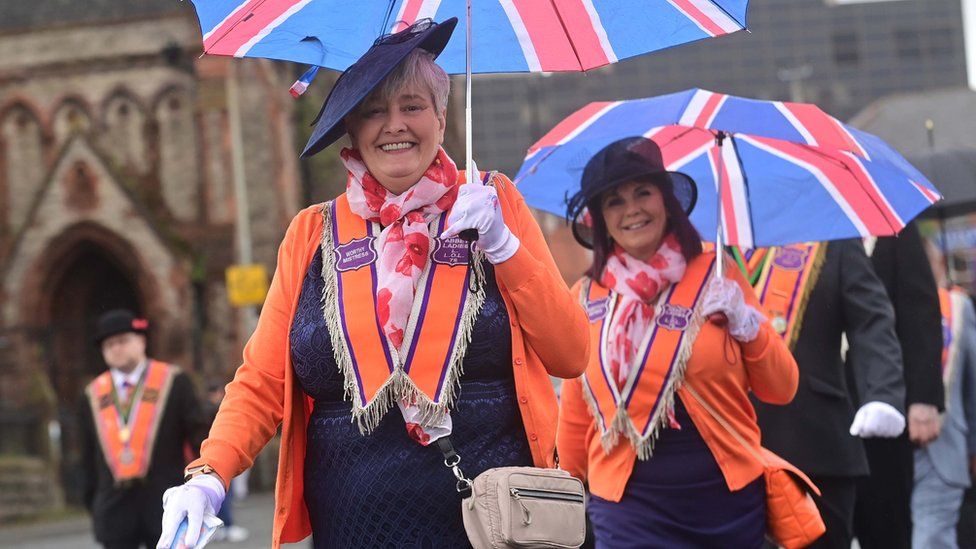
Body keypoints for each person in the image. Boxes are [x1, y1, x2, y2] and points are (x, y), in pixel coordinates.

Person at [156, 18, 589, 549]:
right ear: (353, 128)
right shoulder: (312, 233)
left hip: (492, 523)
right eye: (374, 111)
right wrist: (209, 475)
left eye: (412, 106)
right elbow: (262, 380)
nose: (394, 125)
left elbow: (570, 355)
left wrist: (504, 247)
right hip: (353, 526)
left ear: (441, 116)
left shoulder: (493, 204)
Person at [556, 136, 800, 548]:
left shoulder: (718, 279)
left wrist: (748, 325)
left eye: (643, 193)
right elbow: (578, 412)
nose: (632, 209)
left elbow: (783, 388)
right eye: (614, 201)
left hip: (725, 500)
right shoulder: (584, 296)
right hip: (626, 507)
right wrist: (565, 488)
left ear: (666, 200)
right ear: (600, 218)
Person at [739, 241, 906, 549]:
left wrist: (882, 392)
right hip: (723, 449)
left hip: (813, 444)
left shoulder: (830, 239)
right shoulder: (710, 244)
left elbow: (871, 321)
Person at [78, 309, 205, 549]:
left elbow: (198, 437)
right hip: (114, 510)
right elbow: (87, 455)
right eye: (109, 344)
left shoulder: (174, 381)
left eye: (123, 340)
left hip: (165, 503)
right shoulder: (92, 395)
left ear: (142, 341)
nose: (116, 348)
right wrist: (94, 504)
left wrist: (198, 486)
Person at [852, 223, 945, 549]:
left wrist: (923, 398)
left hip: (883, 402)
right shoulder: (799, 225)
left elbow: (920, 311)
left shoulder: (889, 224)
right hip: (820, 410)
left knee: (886, 527)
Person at [911, 244, 976, 549]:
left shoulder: (957, 308)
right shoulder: (879, 303)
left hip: (944, 447)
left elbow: (973, 384)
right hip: (889, 452)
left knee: (931, 540)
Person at [201, 382, 248, 543]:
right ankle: (225, 526)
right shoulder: (213, 410)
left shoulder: (205, 409)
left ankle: (219, 527)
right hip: (218, 456)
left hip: (211, 456)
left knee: (217, 494)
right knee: (223, 493)